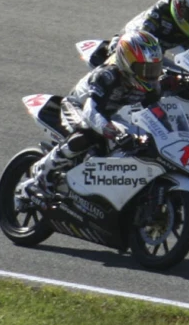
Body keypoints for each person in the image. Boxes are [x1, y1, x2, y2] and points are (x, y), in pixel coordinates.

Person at [17, 30, 167, 199]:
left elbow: (156, 111)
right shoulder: (107, 75)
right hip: (79, 107)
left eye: (155, 69)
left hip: (111, 115)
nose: (151, 75)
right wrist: (114, 133)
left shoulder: (152, 85)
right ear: (127, 62)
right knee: (87, 133)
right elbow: (91, 111)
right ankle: (43, 171)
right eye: (145, 69)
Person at [89, 0, 189, 68]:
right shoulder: (156, 18)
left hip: (178, 41)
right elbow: (143, 50)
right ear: (181, 8)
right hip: (139, 41)